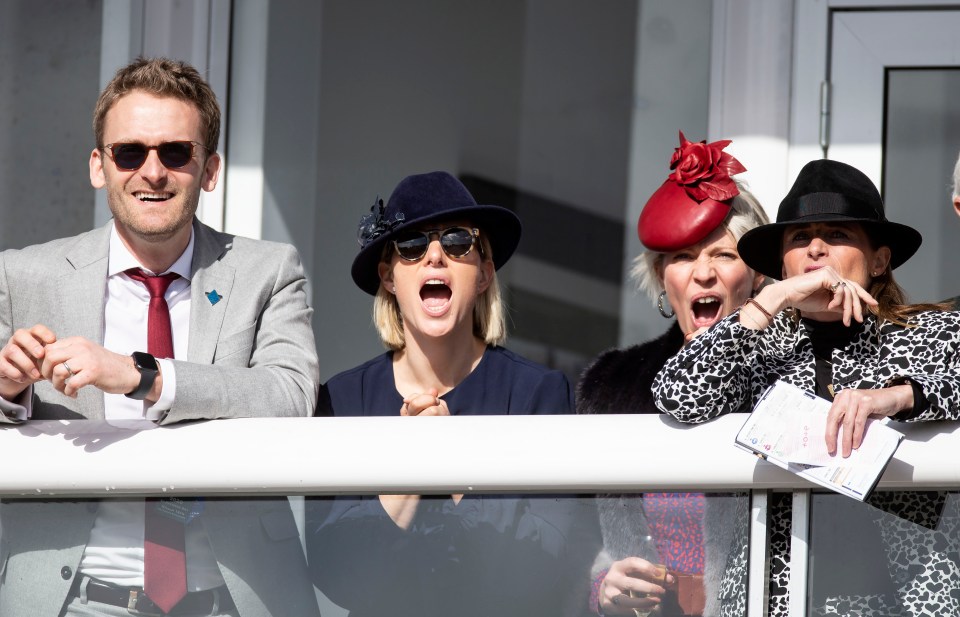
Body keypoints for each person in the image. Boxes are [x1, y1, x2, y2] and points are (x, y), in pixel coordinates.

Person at [0, 57, 321, 617]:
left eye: (175, 152)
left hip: (232, 597)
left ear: (211, 169)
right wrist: (7, 390)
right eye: (131, 152)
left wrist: (144, 375)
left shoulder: (269, 270)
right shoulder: (25, 276)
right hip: (71, 597)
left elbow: (290, 395)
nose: (153, 172)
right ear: (99, 166)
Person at [654, 158, 960, 616]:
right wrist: (771, 298)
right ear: (783, 263)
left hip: (900, 597)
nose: (816, 249)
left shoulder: (933, 332)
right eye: (800, 239)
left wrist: (902, 396)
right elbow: (678, 395)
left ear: (879, 260)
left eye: (837, 235)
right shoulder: (756, 342)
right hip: (772, 599)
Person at [307, 171, 599, 617]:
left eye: (459, 241)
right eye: (412, 245)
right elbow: (335, 573)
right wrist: (411, 469)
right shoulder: (343, 399)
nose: (436, 257)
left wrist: (455, 465)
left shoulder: (537, 394)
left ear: (483, 275)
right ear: (388, 276)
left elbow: (546, 565)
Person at [577, 132, 766, 617]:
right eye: (683, 257)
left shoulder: (788, 374)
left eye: (723, 255)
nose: (702, 273)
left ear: (758, 276)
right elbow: (572, 534)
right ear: (663, 278)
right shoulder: (611, 383)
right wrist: (602, 586)